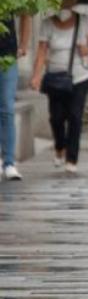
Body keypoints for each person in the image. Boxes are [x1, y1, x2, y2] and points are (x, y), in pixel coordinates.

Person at [29, 0, 88, 175]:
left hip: (80, 77)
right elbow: (42, 51)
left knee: (75, 116)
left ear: (74, 2)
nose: (65, 5)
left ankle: (71, 159)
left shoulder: (84, 21)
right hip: (56, 78)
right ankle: (60, 147)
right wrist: (36, 75)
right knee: (56, 117)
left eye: (69, 1)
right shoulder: (47, 24)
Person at [1, 12, 32, 179]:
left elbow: (26, 13)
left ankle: (9, 162)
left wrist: (24, 44)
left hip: (7, 56)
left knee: (7, 108)